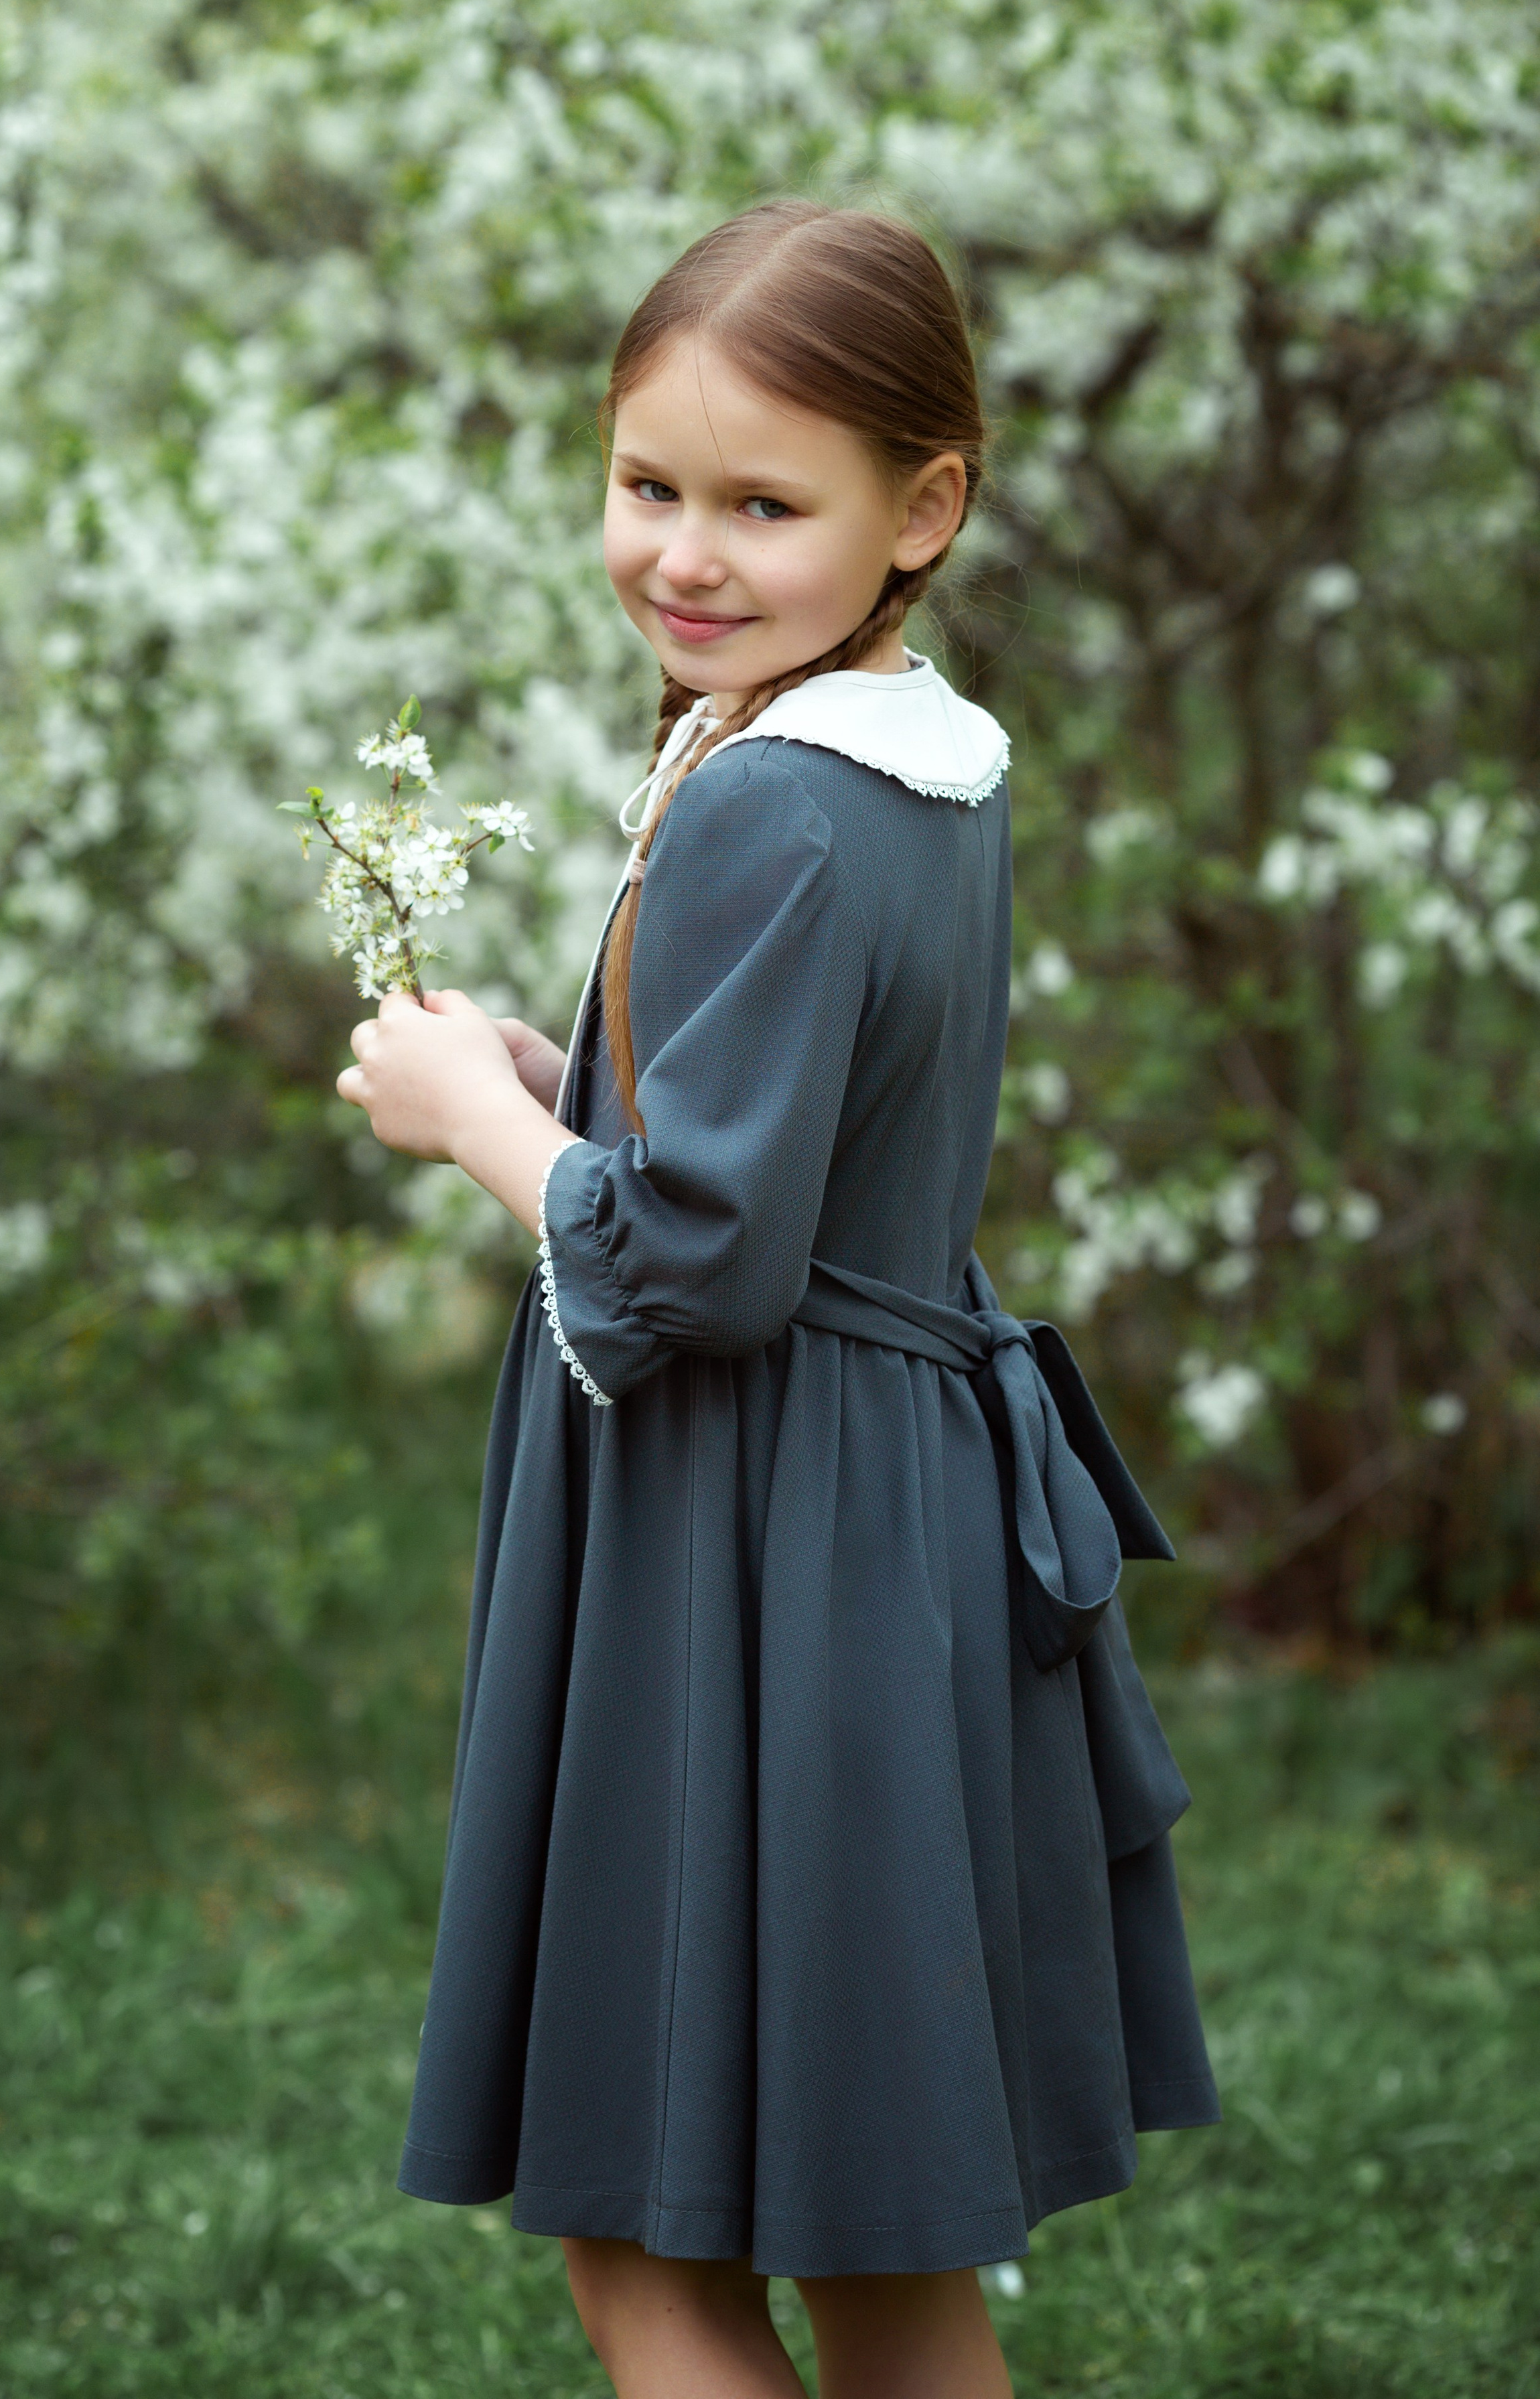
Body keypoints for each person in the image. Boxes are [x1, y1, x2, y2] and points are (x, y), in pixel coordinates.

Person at [336, 202, 1219, 2399]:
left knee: (650, 2256)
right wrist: (576, 1085)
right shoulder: (923, 753)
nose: (688, 556)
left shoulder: (782, 804)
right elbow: (798, 1148)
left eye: (764, 502)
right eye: (651, 486)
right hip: (881, 1527)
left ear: (927, 504)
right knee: (881, 2248)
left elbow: (705, 1271)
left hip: (750, 1541)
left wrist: (471, 1117)